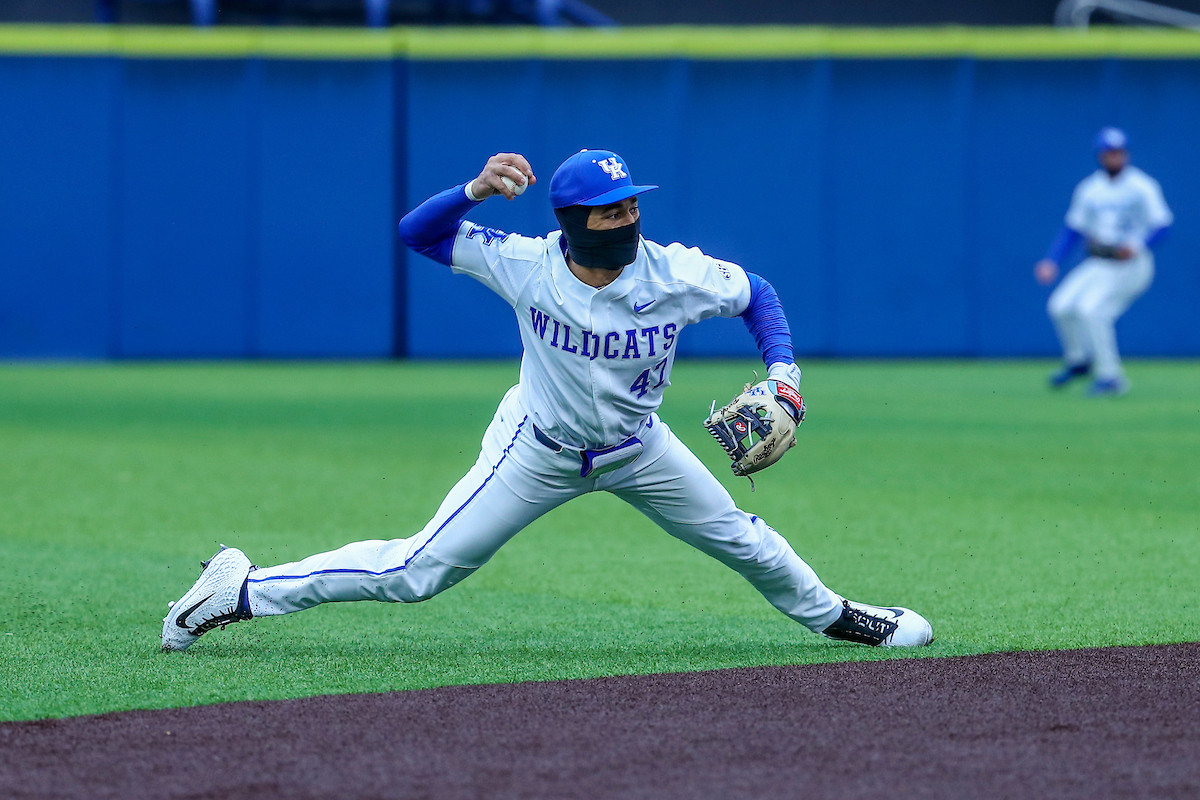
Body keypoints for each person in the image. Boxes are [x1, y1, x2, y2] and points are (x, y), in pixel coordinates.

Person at [161, 149, 933, 653]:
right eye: (612, 209)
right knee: (418, 571)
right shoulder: (525, 263)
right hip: (537, 449)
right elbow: (417, 233)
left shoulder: (675, 273)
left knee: (740, 538)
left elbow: (757, 295)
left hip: (639, 448)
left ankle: (840, 617)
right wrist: (472, 189)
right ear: (573, 223)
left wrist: (785, 377)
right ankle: (242, 589)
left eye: (633, 203)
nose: (628, 216)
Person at [1035, 127, 1173, 396]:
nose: (1115, 157)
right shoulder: (1089, 189)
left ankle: (1111, 378)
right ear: (1100, 156)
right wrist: (1052, 260)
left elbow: (1163, 225)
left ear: (1126, 154)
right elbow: (1073, 229)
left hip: (1132, 264)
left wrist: (1138, 245)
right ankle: (1079, 361)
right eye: (1109, 153)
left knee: (1093, 311)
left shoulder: (1142, 185)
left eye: (1119, 152)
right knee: (1060, 306)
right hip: (1099, 261)